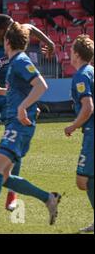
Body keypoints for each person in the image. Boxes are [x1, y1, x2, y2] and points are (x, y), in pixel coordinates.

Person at [0, 22, 61, 234]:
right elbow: (20, 91)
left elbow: (41, 85)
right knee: (3, 177)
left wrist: (24, 108)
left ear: (7, 40)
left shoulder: (20, 61)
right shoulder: (15, 61)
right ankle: (48, 198)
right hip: (17, 124)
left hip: (18, 125)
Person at [64, 35, 94, 233]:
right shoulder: (91, 71)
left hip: (92, 132)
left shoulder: (82, 75)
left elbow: (88, 106)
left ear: (76, 53)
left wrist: (73, 126)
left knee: (83, 180)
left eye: (71, 48)